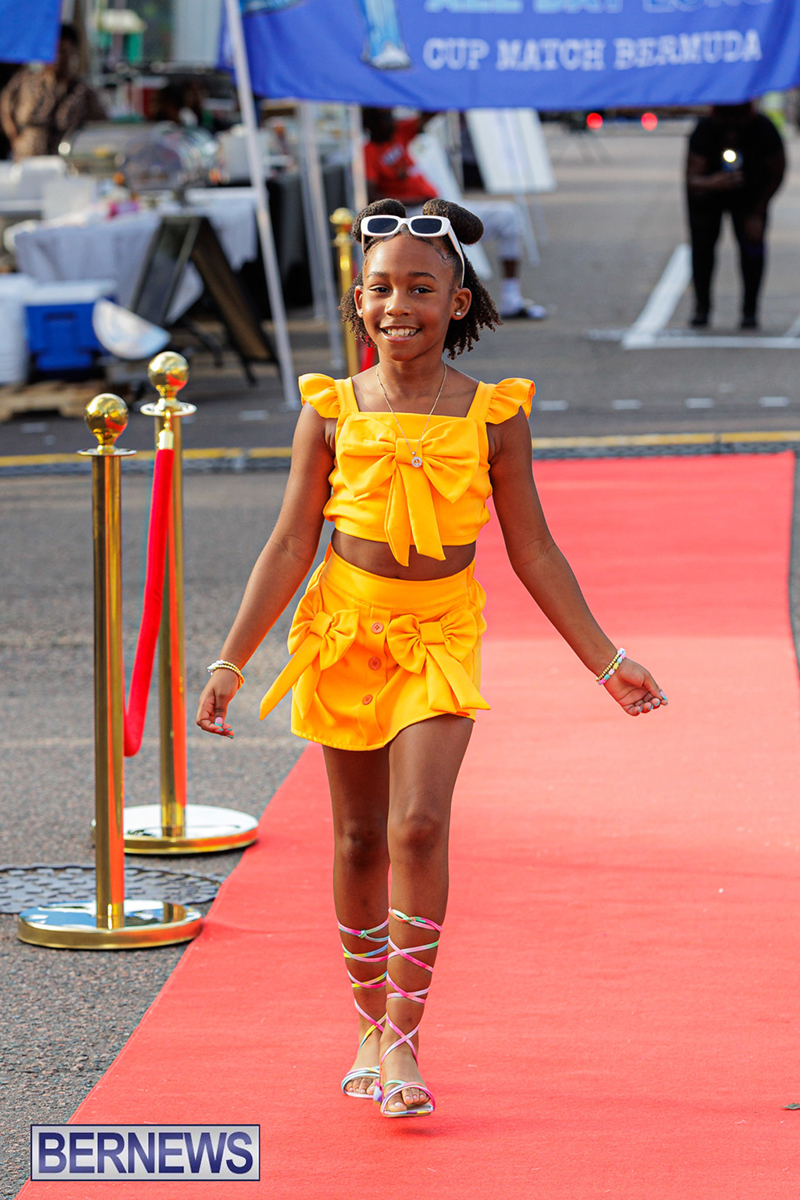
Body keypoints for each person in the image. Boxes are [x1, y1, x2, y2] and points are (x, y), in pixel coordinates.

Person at [196, 196, 666, 1118]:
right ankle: (367, 1023)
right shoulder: (330, 411)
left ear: (457, 302)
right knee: (358, 837)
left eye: (420, 287)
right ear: (358, 302)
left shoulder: (494, 416)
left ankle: (406, 1037)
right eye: (380, 289)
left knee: (416, 825)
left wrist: (607, 661)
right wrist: (230, 660)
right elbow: (289, 545)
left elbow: (535, 550)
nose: (397, 305)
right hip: (343, 629)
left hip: (440, 635)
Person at [362, 107, 547, 320]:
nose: (388, 122)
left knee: (508, 216)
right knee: (440, 257)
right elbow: (372, 198)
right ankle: (441, 311)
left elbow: (430, 113)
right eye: (381, 118)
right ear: (369, 124)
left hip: (437, 206)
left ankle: (510, 299)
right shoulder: (366, 151)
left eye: (389, 116)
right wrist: (415, 201)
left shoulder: (399, 133)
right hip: (412, 215)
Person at [685, 102, 785, 330]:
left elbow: (777, 170)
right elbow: (692, 179)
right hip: (707, 198)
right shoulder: (705, 130)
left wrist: (759, 210)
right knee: (702, 248)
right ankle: (702, 307)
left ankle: (750, 310)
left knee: (752, 247)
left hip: (751, 195)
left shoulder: (763, 129)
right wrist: (712, 183)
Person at [0, 24, 105, 161]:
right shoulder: (25, 82)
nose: (60, 57)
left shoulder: (84, 93)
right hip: (26, 161)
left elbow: (99, 128)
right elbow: (5, 108)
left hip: (64, 163)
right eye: (57, 51)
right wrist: (15, 138)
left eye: (66, 51)